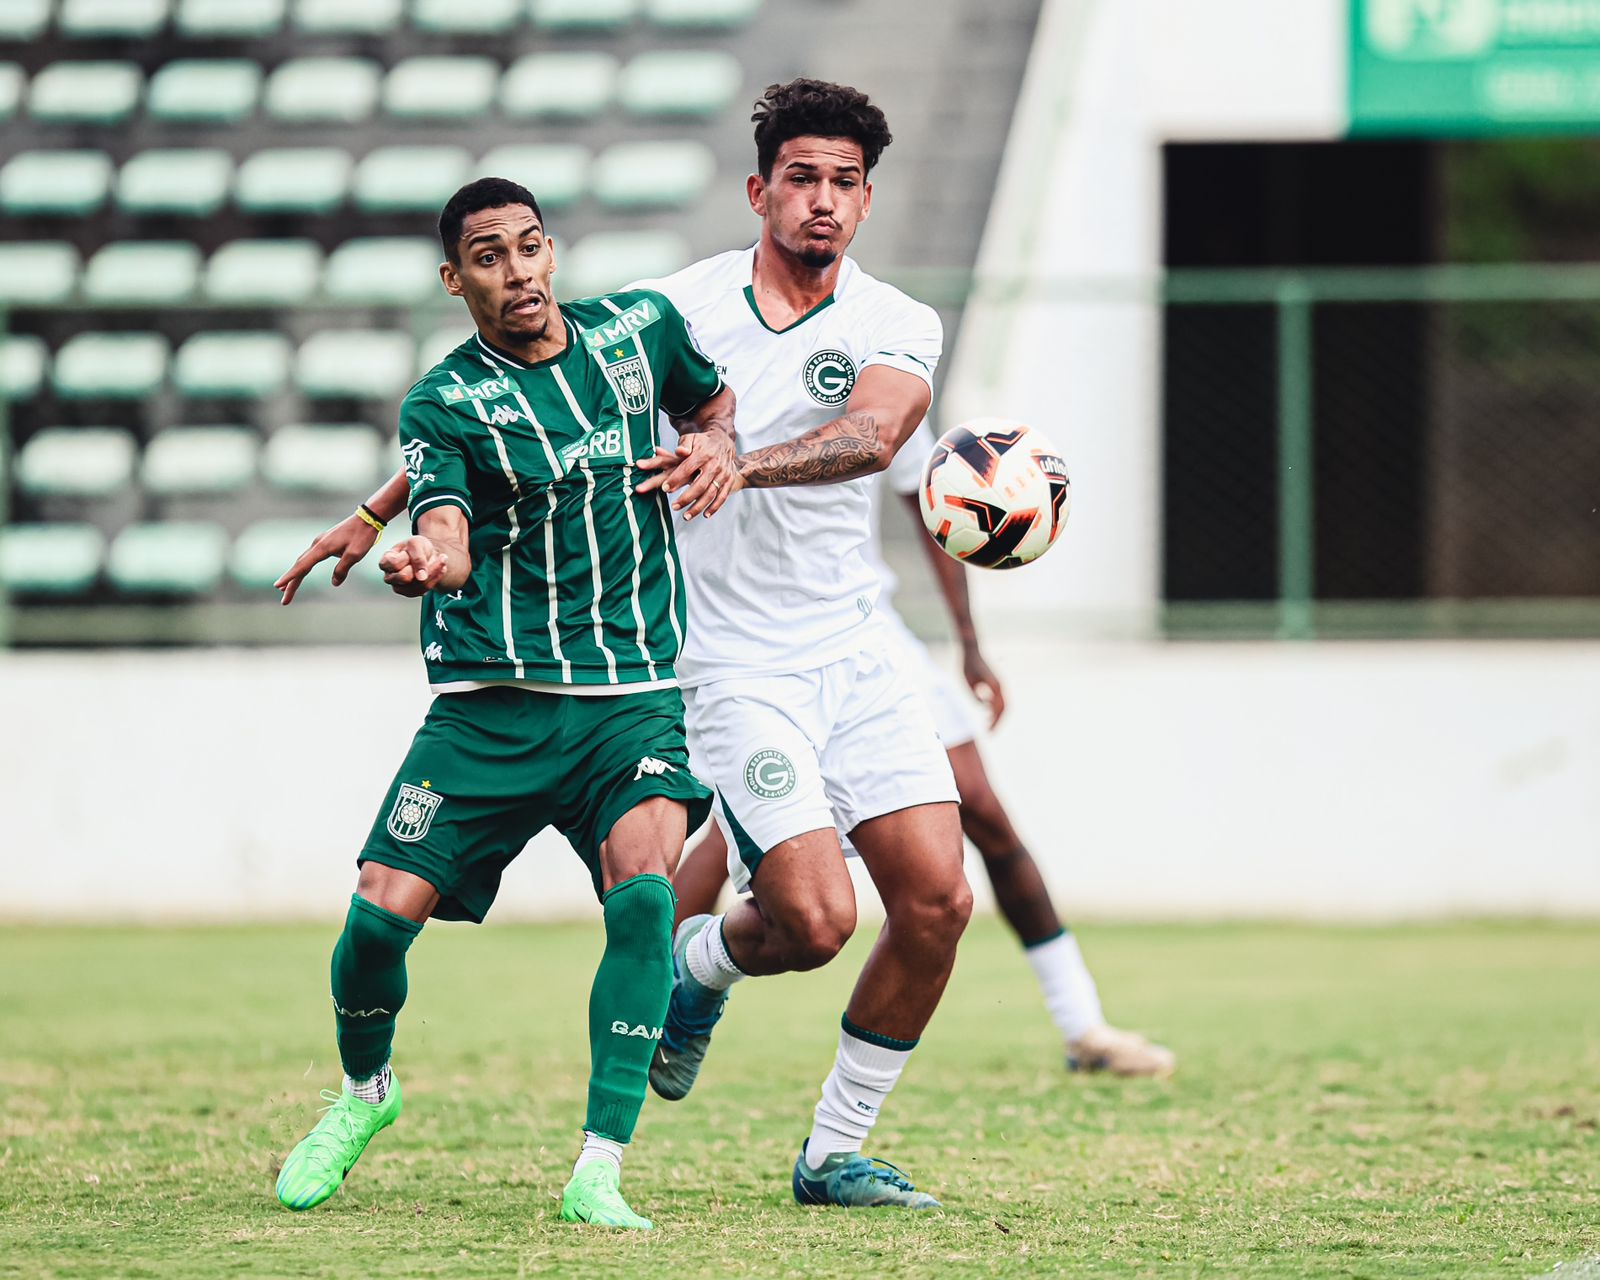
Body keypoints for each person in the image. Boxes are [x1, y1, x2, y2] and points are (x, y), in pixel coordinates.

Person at [279, 79, 972, 1212]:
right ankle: (701, 971)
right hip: (725, 661)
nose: (823, 203)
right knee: (812, 920)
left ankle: (829, 1150)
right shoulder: (675, 309)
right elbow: (514, 402)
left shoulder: (896, 319)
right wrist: (377, 512)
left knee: (939, 903)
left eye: (845, 182)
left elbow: (876, 433)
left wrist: (740, 456)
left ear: (867, 198)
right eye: (801, 177)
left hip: (856, 645)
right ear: (759, 188)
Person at [271, 176, 743, 1232]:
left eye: (529, 247)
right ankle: (365, 1094)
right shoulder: (445, 401)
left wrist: (718, 441)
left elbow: (711, 403)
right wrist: (424, 561)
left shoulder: (641, 330)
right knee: (373, 926)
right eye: (488, 256)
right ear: (456, 278)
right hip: (490, 700)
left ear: (553, 252)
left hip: (630, 693)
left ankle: (598, 1165)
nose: (517, 272)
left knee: (645, 897)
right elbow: (445, 520)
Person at [671, 421, 1176, 1077]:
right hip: (749, 642)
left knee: (984, 811)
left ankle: (1083, 1023)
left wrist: (969, 642)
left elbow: (928, 498)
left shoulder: (878, 357)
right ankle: (657, 996)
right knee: (738, 833)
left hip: (865, 634)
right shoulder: (712, 366)